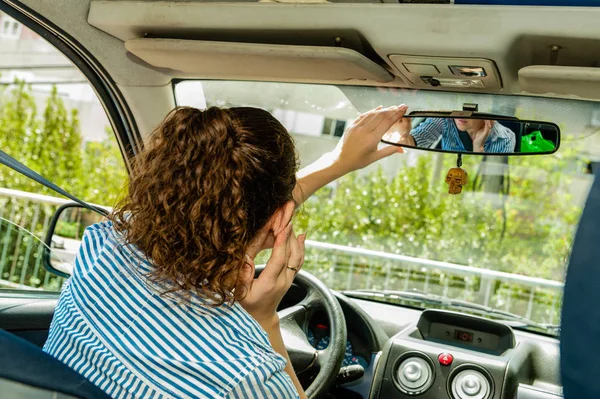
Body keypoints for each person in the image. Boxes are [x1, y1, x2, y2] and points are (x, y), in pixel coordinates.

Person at [42, 104, 407, 399]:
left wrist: (337, 162)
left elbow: (214, 195)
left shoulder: (101, 250)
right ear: (281, 218)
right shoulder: (246, 376)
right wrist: (264, 320)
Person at [387, 116, 516, 153]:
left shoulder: (506, 137)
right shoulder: (444, 120)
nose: (460, 113)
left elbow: (487, 173)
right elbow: (412, 143)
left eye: (471, 110)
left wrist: (478, 148)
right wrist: (403, 132)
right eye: (458, 105)